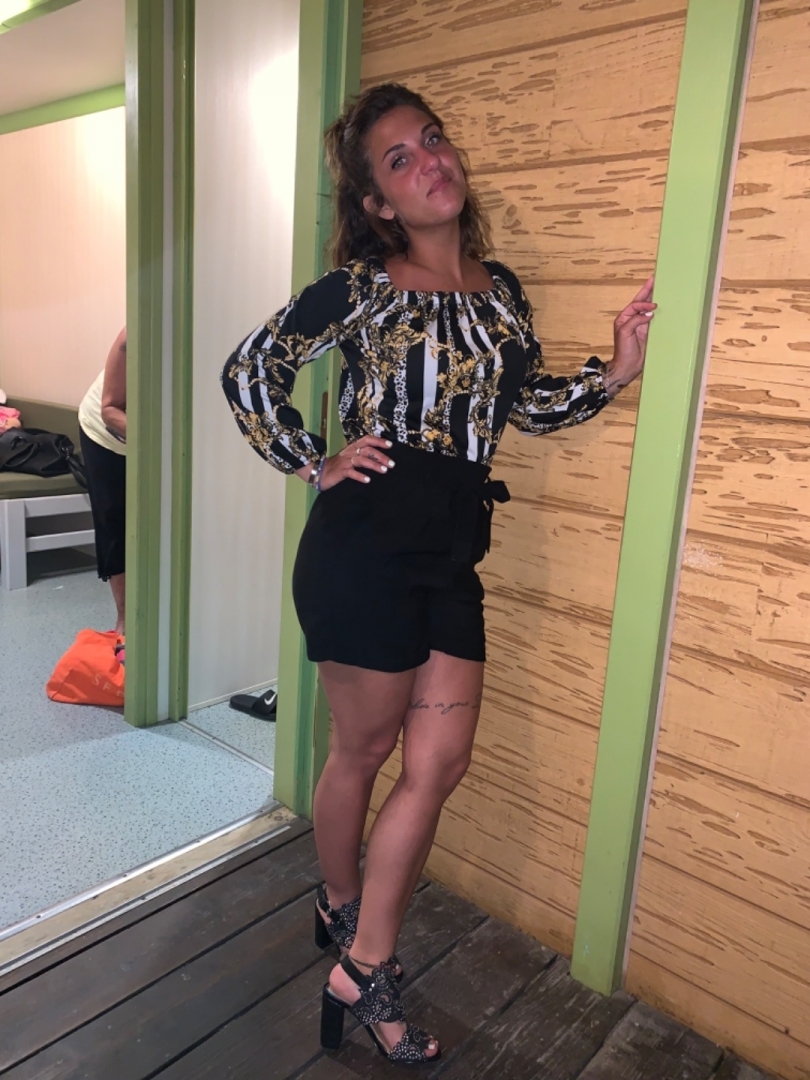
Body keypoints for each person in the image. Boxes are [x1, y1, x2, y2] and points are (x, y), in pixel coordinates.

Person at [222, 83, 654, 1065]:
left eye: (433, 139)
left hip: (455, 543)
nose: (431, 162)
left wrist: (616, 372)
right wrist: (313, 459)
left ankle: (360, 959)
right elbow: (250, 371)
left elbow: (523, 408)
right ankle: (346, 916)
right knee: (365, 750)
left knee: (441, 763)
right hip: (366, 543)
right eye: (400, 160)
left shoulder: (500, 291)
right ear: (378, 202)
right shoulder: (362, 287)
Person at [78, 328, 127, 638]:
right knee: (114, 521)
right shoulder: (133, 337)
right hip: (103, 433)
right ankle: (125, 619)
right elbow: (109, 409)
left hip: (151, 438)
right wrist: (160, 437)